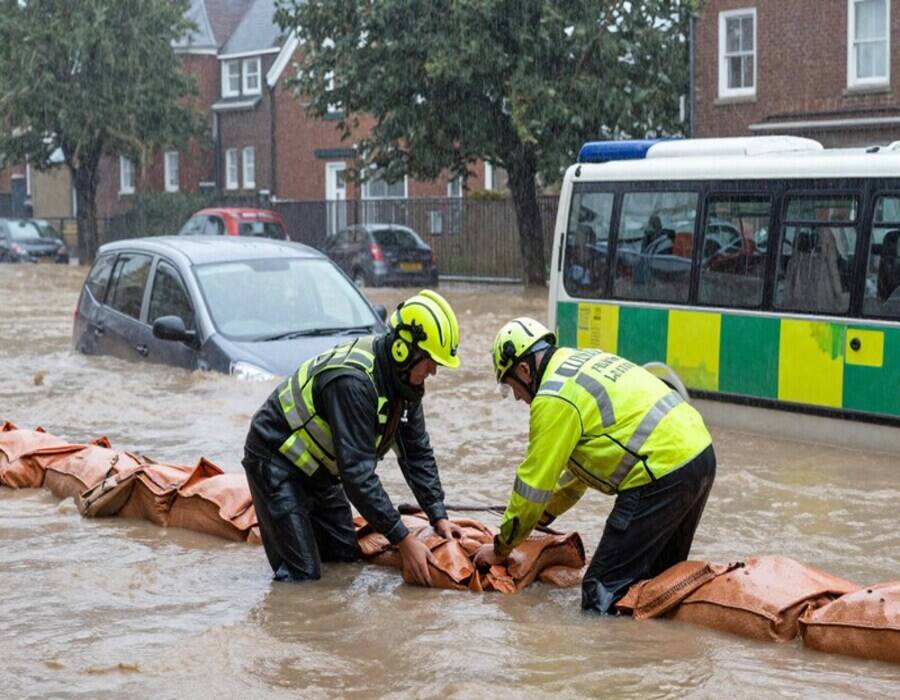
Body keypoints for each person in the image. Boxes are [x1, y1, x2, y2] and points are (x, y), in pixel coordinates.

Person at [474, 318, 716, 614]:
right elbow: (582, 469)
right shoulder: (580, 362)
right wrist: (548, 512)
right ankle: (660, 655)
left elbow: (532, 486)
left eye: (511, 385)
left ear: (524, 370)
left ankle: (611, 655)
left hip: (660, 473)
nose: (516, 396)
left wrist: (501, 548)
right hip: (699, 455)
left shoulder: (552, 398)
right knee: (660, 581)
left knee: (600, 588)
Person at [242, 289, 464, 587]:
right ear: (403, 349)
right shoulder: (353, 383)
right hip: (275, 462)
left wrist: (438, 514)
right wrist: (403, 539)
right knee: (303, 577)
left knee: (344, 560)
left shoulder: (406, 384)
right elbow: (358, 478)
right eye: (430, 361)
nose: (434, 371)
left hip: (320, 472)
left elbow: (416, 452)